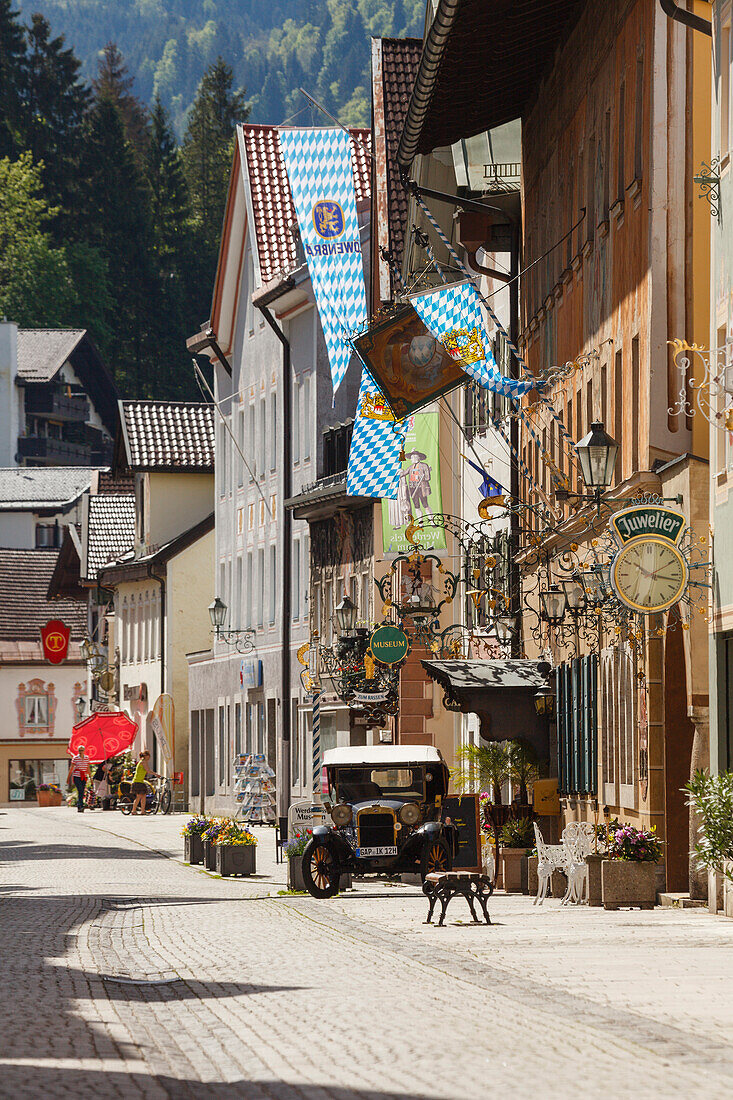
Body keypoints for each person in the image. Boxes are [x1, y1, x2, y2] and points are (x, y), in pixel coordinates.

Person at [130, 751, 159, 815]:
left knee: (143, 796)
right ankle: (133, 810)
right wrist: (156, 774)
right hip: (137, 781)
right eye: (149, 756)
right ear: (146, 756)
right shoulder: (143, 762)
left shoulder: (143, 761)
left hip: (141, 781)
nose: (149, 757)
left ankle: (143, 811)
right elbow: (148, 770)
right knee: (139, 796)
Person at [67, 746, 90, 813]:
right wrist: (68, 778)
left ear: (84, 751)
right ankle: (80, 806)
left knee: (82, 791)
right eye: (79, 750)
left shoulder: (86, 758)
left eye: (82, 750)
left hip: (84, 776)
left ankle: (80, 805)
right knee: (80, 790)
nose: (81, 752)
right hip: (77, 776)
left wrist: (90, 777)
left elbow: (88, 768)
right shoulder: (75, 758)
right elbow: (71, 768)